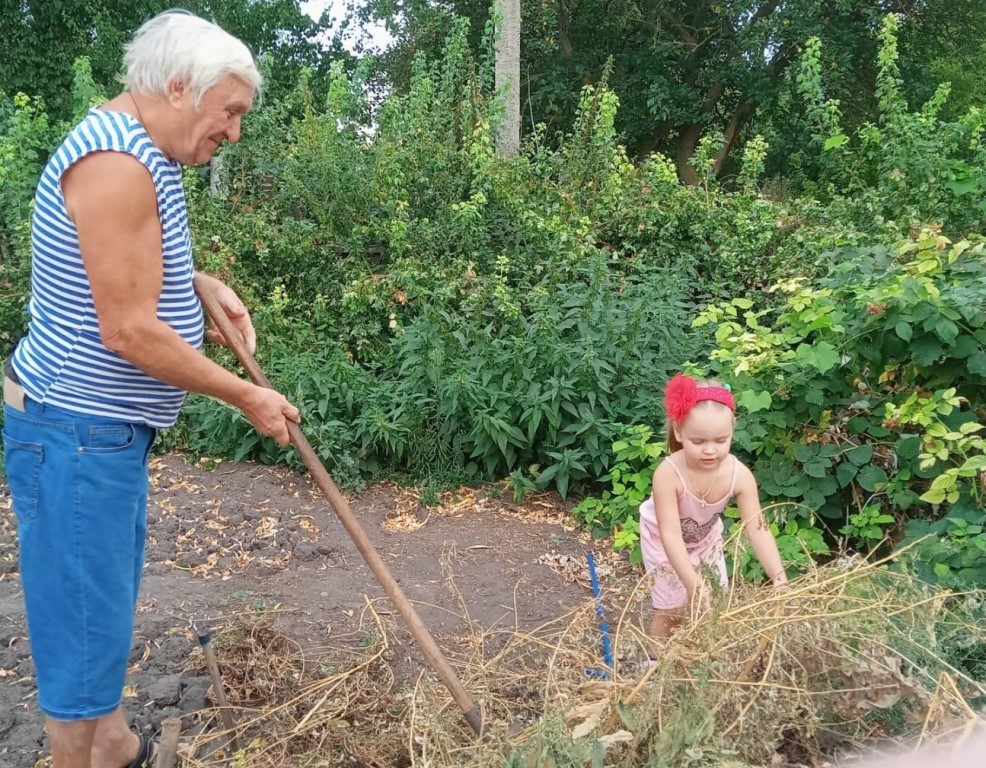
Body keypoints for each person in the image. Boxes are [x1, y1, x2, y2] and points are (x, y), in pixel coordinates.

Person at [1, 11, 299, 768]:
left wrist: (195, 284)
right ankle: (81, 753)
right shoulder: (116, 164)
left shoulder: (148, 148)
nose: (234, 131)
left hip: (100, 432)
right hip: (74, 432)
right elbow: (128, 331)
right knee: (81, 639)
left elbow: (119, 263)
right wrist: (245, 396)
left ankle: (115, 746)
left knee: (97, 617)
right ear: (178, 88)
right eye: (228, 111)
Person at [640, 373, 787, 640]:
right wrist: (692, 584)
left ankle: (701, 656)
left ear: (732, 430)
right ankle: (654, 666)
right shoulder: (668, 473)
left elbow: (757, 528)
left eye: (721, 441)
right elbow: (670, 534)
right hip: (662, 540)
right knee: (672, 607)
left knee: (714, 602)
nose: (710, 450)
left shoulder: (739, 476)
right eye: (699, 442)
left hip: (705, 540)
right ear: (679, 432)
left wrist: (778, 575)